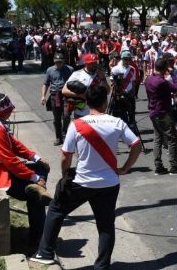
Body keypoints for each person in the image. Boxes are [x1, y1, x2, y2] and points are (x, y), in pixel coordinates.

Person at [31, 85, 142, 268]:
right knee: (106, 225)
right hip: (109, 182)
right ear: (105, 102)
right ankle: (102, 265)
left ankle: (45, 252)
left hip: (82, 182)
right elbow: (136, 145)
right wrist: (124, 168)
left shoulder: (77, 125)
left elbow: (66, 155)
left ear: (87, 102)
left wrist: (65, 175)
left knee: (56, 209)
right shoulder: (117, 122)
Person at [0, 93, 52, 243]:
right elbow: (10, 161)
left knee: (41, 169)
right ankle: (40, 238)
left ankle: (39, 189)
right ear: (5, 112)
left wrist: (35, 158)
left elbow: (14, 145)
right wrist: (34, 177)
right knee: (35, 196)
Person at [145, 58, 177, 175]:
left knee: (158, 139)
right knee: (171, 138)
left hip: (153, 111)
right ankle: (173, 165)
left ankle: (158, 165)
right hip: (163, 112)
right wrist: (172, 74)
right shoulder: (162, 82)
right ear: (165, 68)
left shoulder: (148, 79)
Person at [41, 53, 74, 145]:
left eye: (60, 62)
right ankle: (58, 137)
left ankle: (64, 134)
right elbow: (46, 84)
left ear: (64, 61)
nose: (58, 64)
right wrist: (43, 96)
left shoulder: (70, 69)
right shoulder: (50, 70)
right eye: (56, 62)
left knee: (67, 116)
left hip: (67, 95)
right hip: (55, 95)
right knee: (57, 118)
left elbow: (74, 82)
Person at [63, 53, 108, 119]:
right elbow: (64, 91)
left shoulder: (99, 74)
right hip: (81, 113)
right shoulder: (77, 74)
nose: (94, 65)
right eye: (91, 63)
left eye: (95, 63)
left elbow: (108, 91)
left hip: (97, 113)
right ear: (86, 64)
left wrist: (103, 78)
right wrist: (80, 95)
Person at [110, 50, 140, 138]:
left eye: (129, 59)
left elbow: (133, 82)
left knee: (131, 112)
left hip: (129, 93)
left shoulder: (132, 69)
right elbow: (112, 82)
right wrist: (115, 93)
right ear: (122, 59)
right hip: (119, 93)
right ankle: (122, 130)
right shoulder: (115, 69)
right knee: (121, 113)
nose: (128, 61)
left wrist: (134, 94)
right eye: (126, 59)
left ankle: (132, 127)